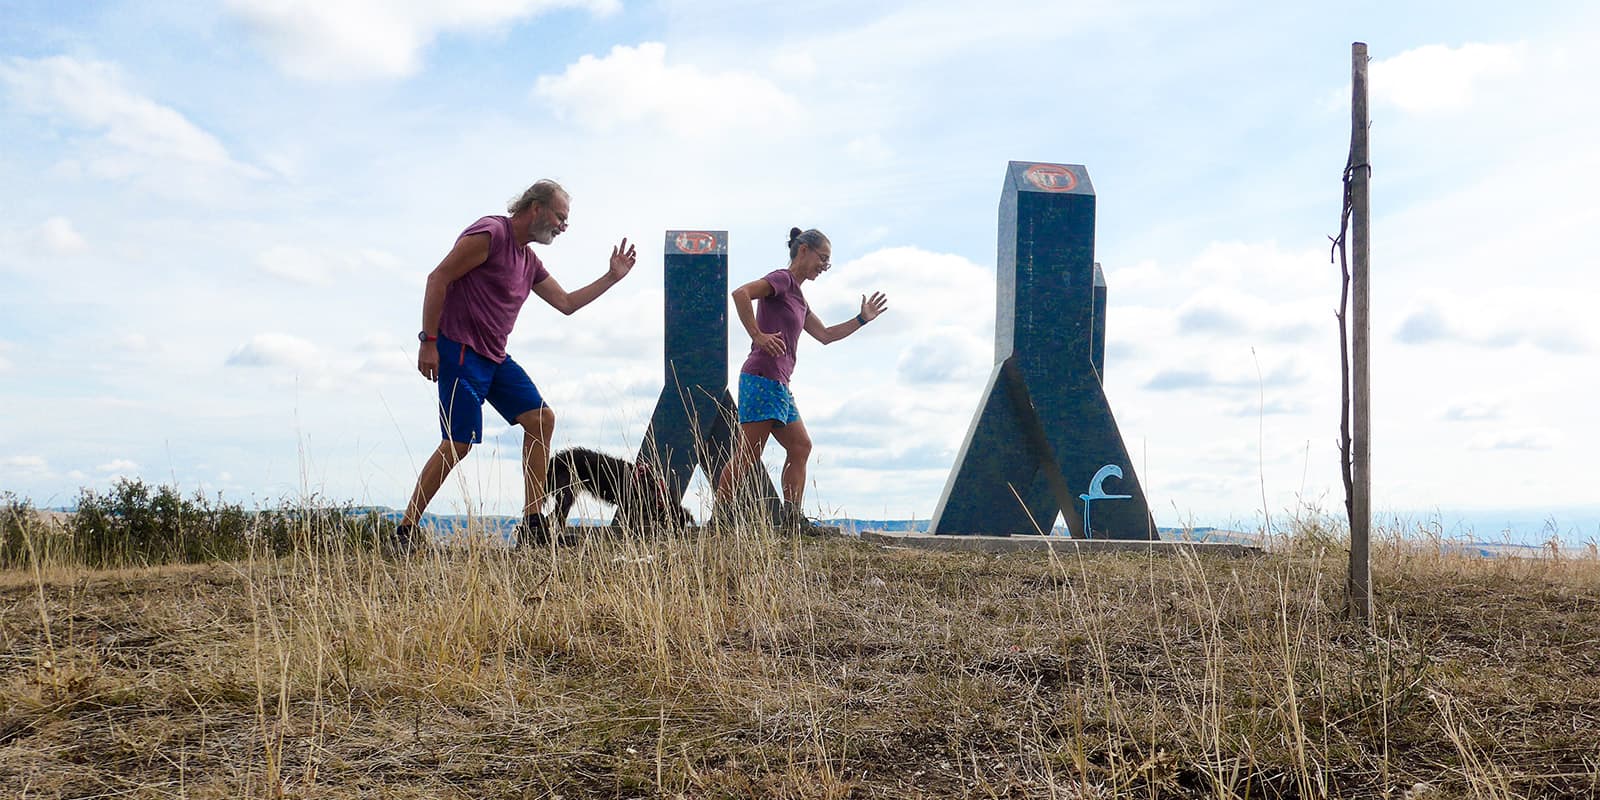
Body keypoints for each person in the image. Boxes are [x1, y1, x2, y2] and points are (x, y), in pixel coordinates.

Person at [394, 179, 636, 552]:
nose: (563, 226)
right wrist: (428, 341)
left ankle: (533, 523)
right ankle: (406, 530)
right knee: (458, 442)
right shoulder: (491, 234)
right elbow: (437, 277)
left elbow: (567, 303)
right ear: (535, 208)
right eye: (560, 216)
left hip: (494, 358)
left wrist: (611, 278)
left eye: (566, 220)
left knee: (542, 419)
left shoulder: (528, 260)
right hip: (460, 350)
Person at [713, 227, 888, 532]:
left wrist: (862, 319)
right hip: (761, 377)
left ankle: (792, 520)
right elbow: (741, 294)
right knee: (749, 452)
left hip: (781, 385)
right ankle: (722, 519)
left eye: (828, 262)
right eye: (823, 258)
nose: (824, 266)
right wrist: (758, 335)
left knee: (801, 446)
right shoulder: (782, 279)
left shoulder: (799, 298)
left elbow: (826, 335)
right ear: (803, 250)